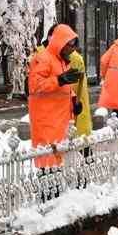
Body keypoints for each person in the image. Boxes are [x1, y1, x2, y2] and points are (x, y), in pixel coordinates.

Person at [28, 22, 83, 181]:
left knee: (57, 159)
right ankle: (47, 198)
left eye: (74, 45)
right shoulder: (43, 59)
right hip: (46, 121)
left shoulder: (61, 61)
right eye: (69, 45)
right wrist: (59, 80)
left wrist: (74, 103)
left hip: (59, 121)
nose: (72, 50)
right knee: (47, 161)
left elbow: (65, 89)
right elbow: (34, 85)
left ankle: (55, 195)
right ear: (60, 43)